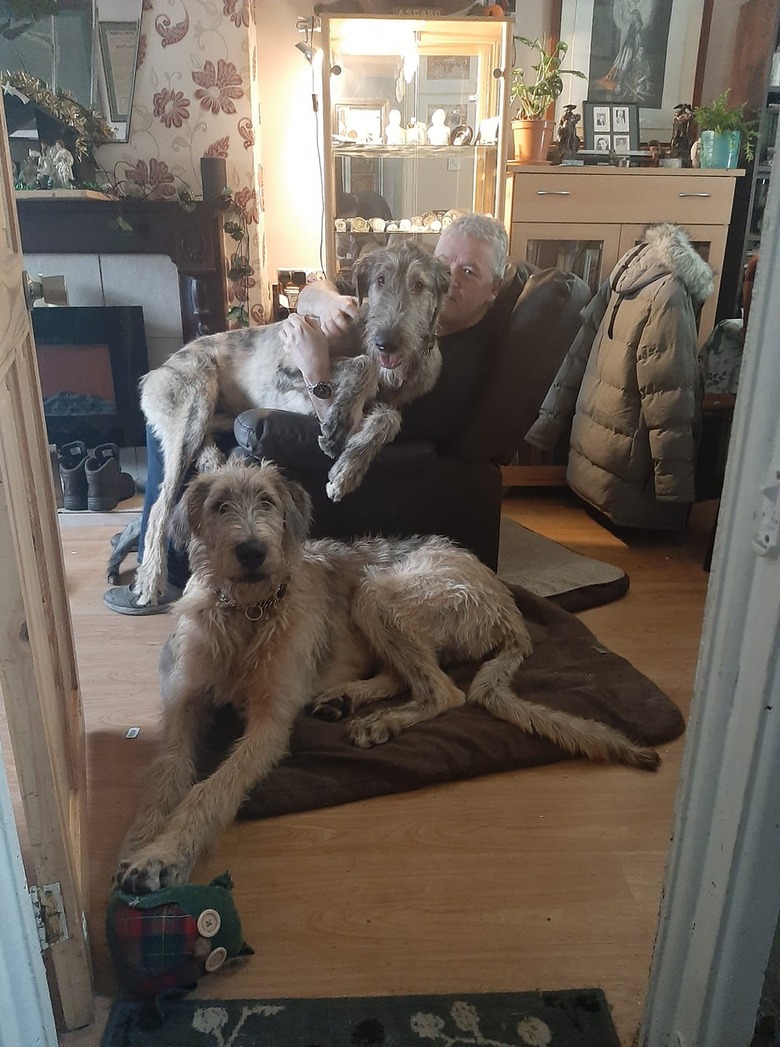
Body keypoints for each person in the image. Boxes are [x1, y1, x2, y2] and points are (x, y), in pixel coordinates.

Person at [103, 213, 509, 614]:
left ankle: (162, 563)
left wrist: (316, 370)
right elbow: (312, 290)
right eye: (443, 261)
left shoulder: (455, 360)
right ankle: (152, 535)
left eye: (468, 271)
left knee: (199, 440)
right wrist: (330, 303)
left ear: (493, 289)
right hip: (217, 368)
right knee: (189, 435)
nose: (450, 277)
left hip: (269, 392)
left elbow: (343, 430)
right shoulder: (388, 311)